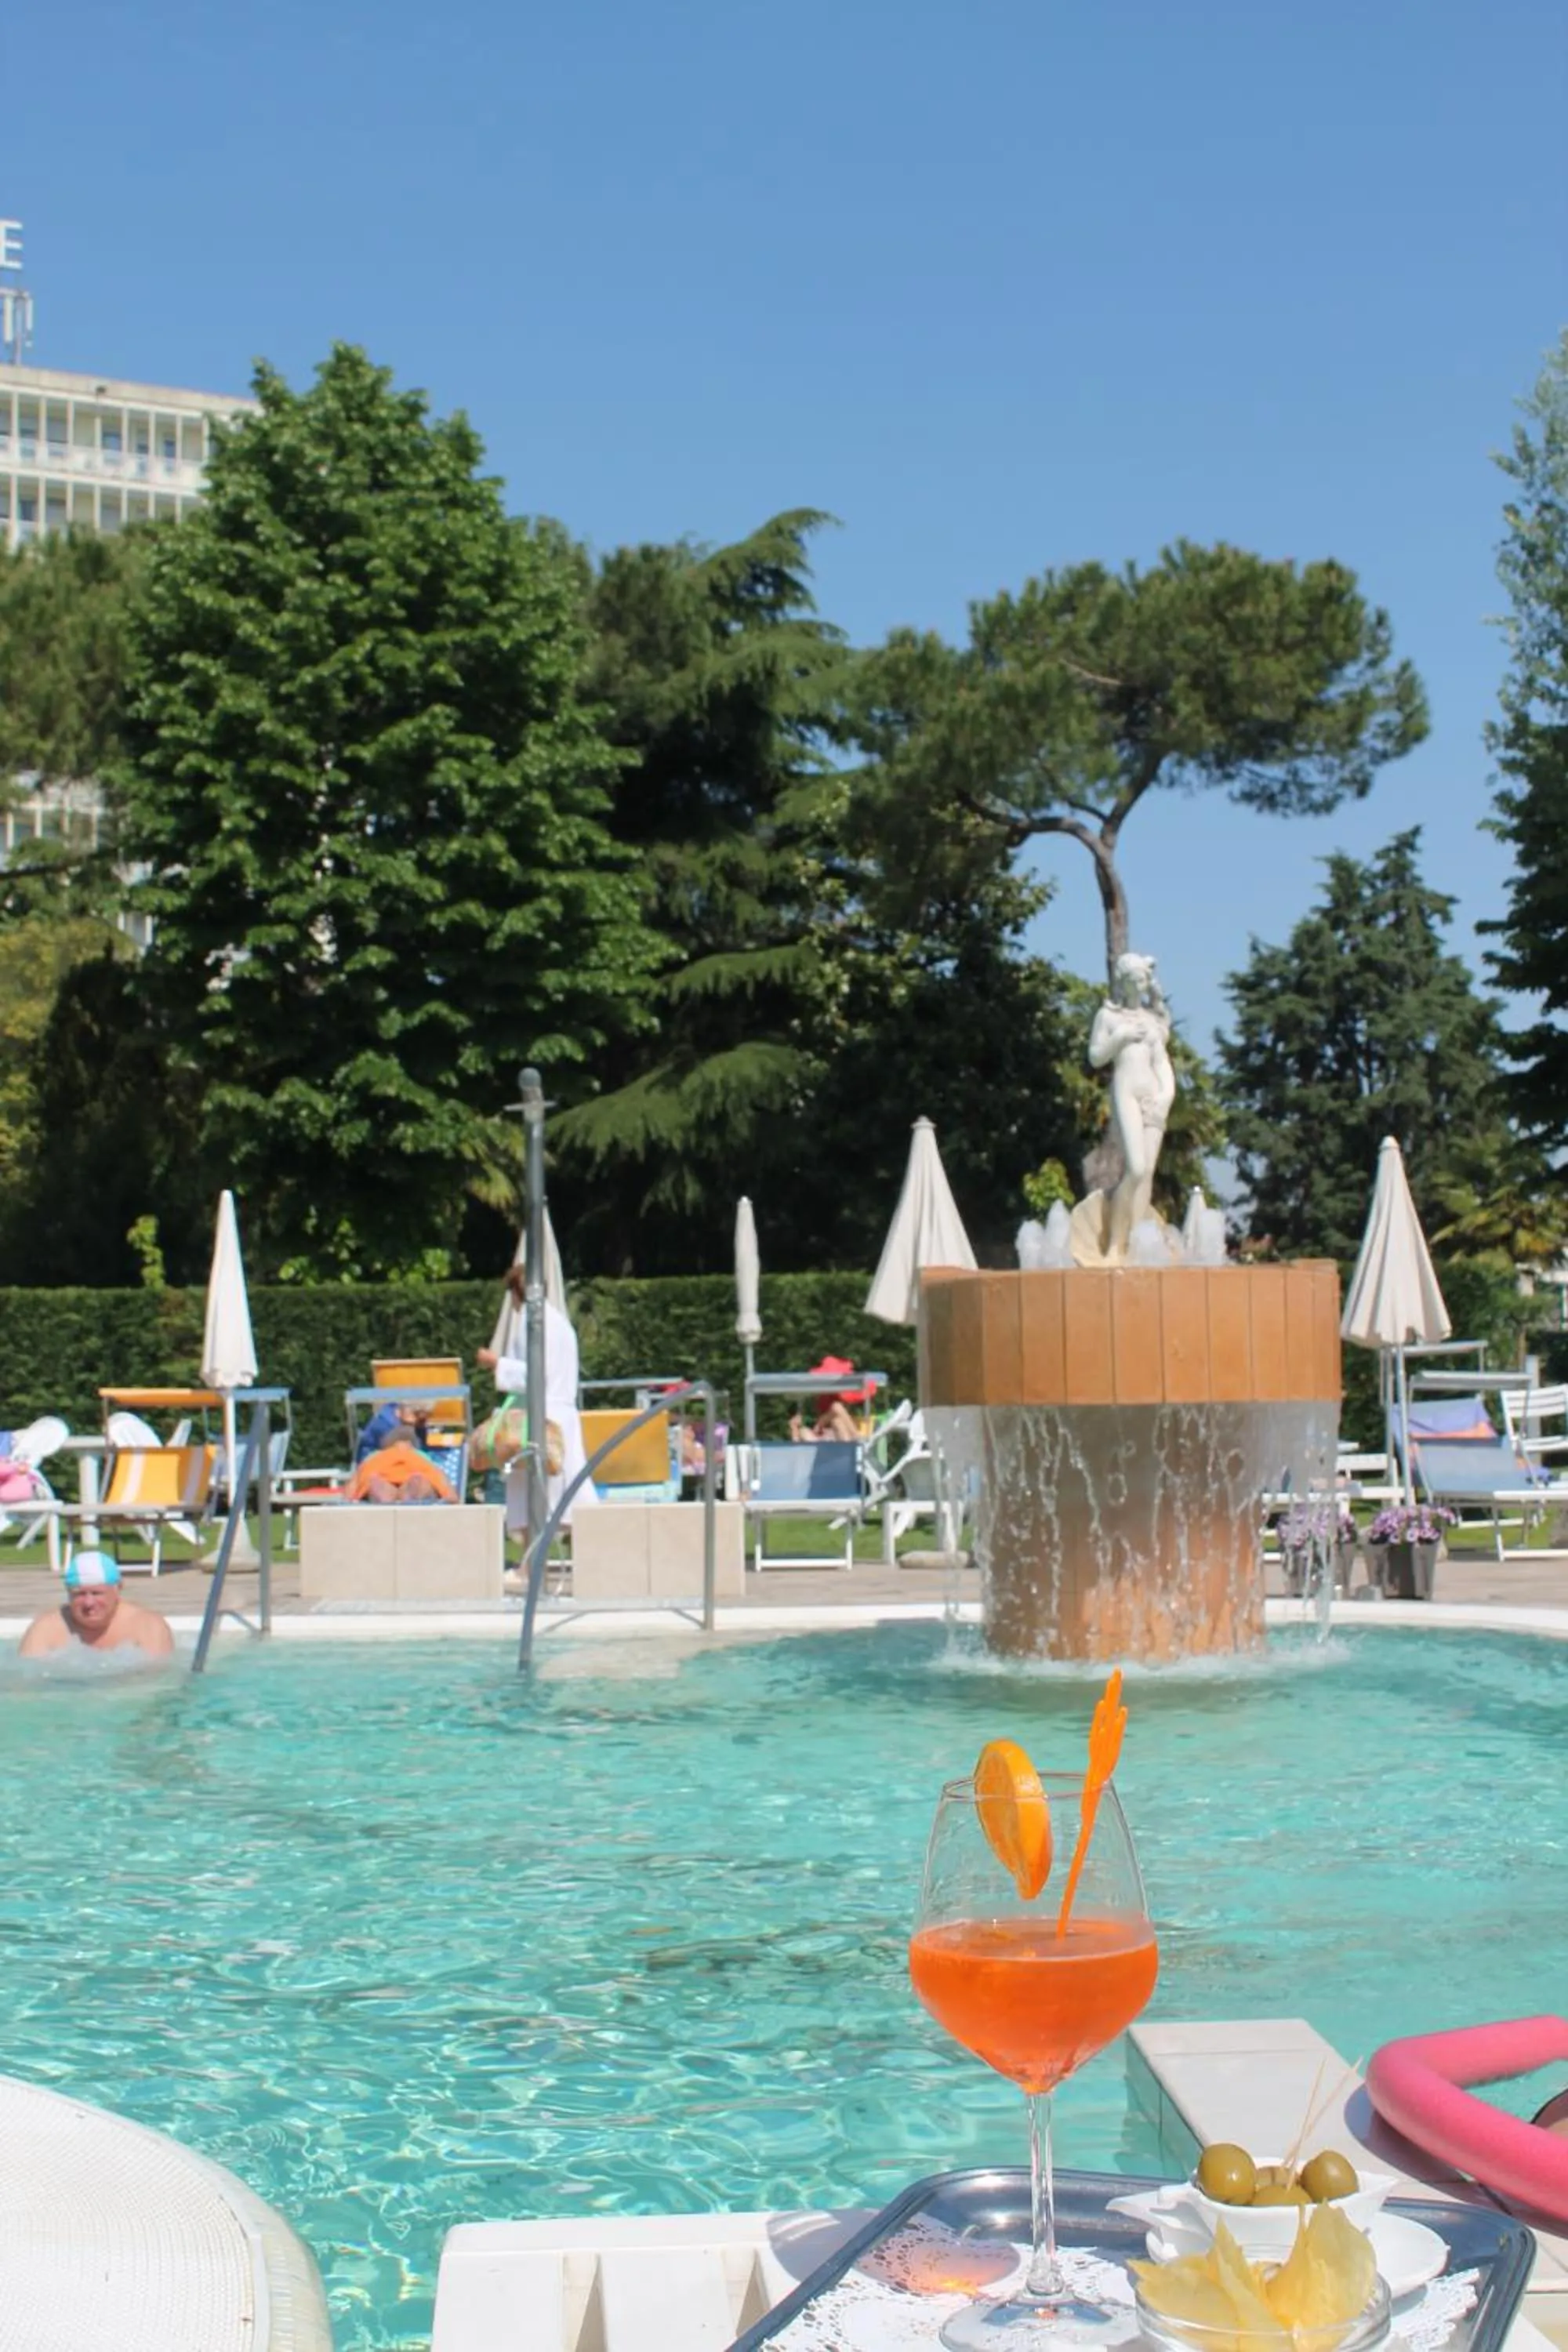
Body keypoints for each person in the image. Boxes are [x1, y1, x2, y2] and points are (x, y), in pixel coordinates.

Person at [1087, 949, 1178, 1262]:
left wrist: (1166, 1097)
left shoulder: (1153, 1022)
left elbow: (1163, 1065)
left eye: (1143, 980)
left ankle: (1135, 1245)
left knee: (1148, 1172)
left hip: (1153, 1096)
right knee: (1136, 1168)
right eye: (1134, 981)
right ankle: (1114, 1243)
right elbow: (1096, 1056)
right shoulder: (1109, 1017)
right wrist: (1121, 1037)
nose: (1139, 986)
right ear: (1123, 982)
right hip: (1125, 1092)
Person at [19, 1552, 175, 1661]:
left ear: (118, 1589)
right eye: (79, 1594)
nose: (89, 1603)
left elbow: (159, 1683)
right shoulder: (47, 1628)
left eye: (97, 1593)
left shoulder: (146, 1626)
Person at [789, 1356, 873, 1443]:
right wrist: (794, 1429)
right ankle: (854, 1438)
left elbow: (834, 1412)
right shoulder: (821, 1398)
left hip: (842, 1436)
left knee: (837, 1418)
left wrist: (821, 1422)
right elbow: (815, 1427)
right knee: (804, 1431)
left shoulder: (844, 1395)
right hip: (824, 1436)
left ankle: (855, 1438)